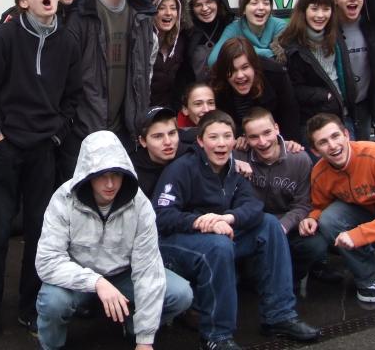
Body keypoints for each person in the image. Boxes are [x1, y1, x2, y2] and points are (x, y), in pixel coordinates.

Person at [0, 0, 82, 345]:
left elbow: (72, 98)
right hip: (4, 150)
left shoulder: (69, 42)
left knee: (40, 233)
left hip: (43, 151)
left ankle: (30, 309)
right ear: (23, 1)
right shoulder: (5, 38)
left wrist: (57, 135)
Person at [153, 110, 319, 350]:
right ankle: (216, 336)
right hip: (175, 242)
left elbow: (253, 205)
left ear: (234, 140)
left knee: (270, 225)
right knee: (219, 245)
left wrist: (228, 218)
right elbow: (162, 216)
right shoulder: (181, 168)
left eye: (227, 136)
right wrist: (200, 221)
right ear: (200, 141)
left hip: (219, 233)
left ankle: (279, 316)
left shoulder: (235, 168)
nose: (221, 143)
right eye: (213, 137)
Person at [35, 130, 193, 350]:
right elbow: (47, 261)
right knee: (52, 301)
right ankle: (51, 346)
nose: (110, 184)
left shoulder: (140, 204)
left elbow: (147, 269)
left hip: (123, 273)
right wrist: (97, 282)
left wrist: (145, 340)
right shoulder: (63, 200)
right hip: (78, 274)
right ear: (87, 173)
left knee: (180, 294)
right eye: (101, 175)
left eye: (116, 174)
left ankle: (133, 325)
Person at [299, 113, 375, 303]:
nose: (332, 145)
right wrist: (312, 217)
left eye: (335, 136)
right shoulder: (319, 172)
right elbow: (320, 205)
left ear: (346, 135)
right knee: (328, 220)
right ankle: (367, 276)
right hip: (362, 208)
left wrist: (358, 235)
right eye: (323, 142)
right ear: (315, 151)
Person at [63, 0, 157, 179]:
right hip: (85, 131)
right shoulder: (82, 13)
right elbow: (67, 77)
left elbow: (144, 74)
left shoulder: (143, 14)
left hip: (126, 132)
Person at [233, 108, 325, 285]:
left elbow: (303, 204)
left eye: (267, 133)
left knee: (316, 245)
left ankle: (292, 280)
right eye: (254, 137)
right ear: (245, 138)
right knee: (252, 278)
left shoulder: (299, 159)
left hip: (287, 225)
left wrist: (281, 227)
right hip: (253, 226)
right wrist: (233, 148)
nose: (262, 142)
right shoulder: (239, 154)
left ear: (277, 128)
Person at [279, 0, 357, 139]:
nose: (320, 15)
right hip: (313, 124)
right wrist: (325, 96)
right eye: (314, 9)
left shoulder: (335, 36)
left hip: (343, 116)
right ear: (304, 10)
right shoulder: (292, 46)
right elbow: (293, 90)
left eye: (326, 9)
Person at [210, 37, 301, 149]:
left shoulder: (274, 74)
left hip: (274, 140)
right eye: (232, 70)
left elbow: (290, 114)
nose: (240, 75)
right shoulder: (216, 84)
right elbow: (218, 122)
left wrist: (289, 144)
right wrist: (239, 136)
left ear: (254, 66)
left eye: (245, 67)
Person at [332, 0, 375, 140]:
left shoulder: (372, 25)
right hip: (338, 107)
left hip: (364, 105)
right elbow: (309, 3)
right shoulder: (329, 28)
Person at [207, 0, 286, 67]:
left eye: (266, 3)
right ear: (243, 9)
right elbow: (213, 61)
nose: (261, 7)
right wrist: (265, 53)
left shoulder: (279, 26)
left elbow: (286, 57)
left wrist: (239, 51)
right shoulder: (234, 29)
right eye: (254, 3)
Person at [184, 0, 234, 81]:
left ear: (218, 2)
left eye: (209, 2)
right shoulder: (185, 32)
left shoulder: (231, 27)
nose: (205, 8)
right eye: (198, 5)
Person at [150, 0, 193, 111]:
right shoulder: (143, 41)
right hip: (144, 111)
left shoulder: (182, 41)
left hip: (170, 111)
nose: (168, 13)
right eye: (161, 7)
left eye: (173, 8)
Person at [131, 106, 181, 198]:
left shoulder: (190, 157)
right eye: (158, 136)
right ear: (143, 141)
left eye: (172, 133)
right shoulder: (133, 173)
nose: (168, 142)